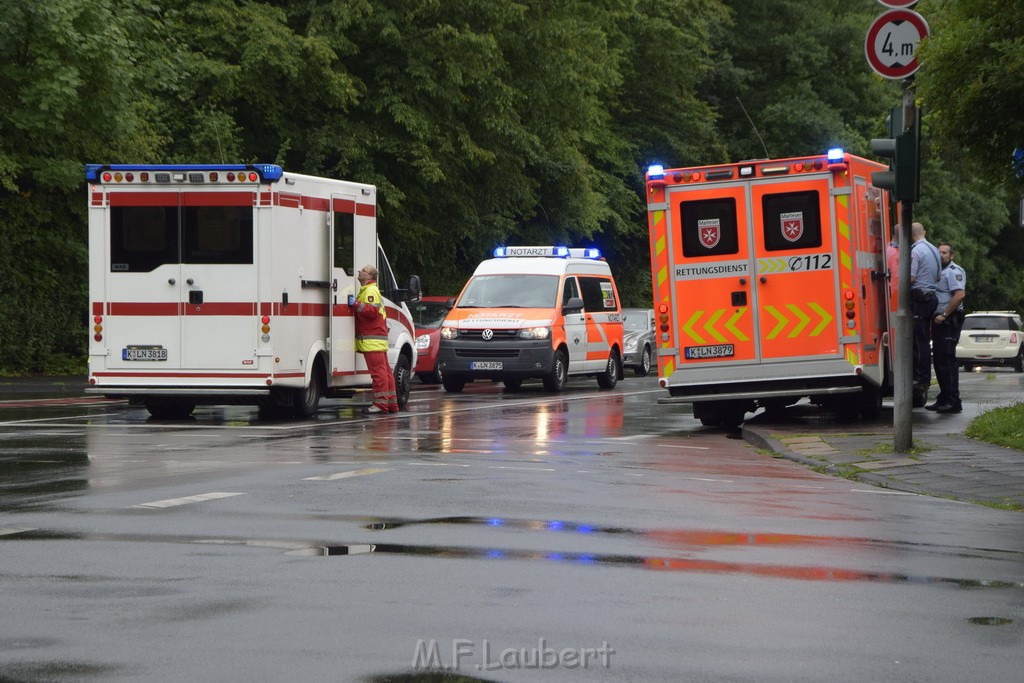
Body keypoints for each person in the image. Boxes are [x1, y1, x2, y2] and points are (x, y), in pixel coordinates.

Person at [352, 265, 399, 414]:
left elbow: (371, 312)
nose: (359, 271)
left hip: (372, 340)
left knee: (378, 373)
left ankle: (380, 405)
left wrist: (355, 303)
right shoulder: (371, 290)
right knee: (385, 372)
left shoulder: (370, 291)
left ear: (369, 276)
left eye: (363, 270)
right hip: (377, 338)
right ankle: (391, 403)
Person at [928, 242, 966, 413]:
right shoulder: (938, 271)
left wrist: (944, 314)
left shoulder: (954, 271)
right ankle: (944, 397)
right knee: (939, 360)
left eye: (944, 252)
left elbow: (959, 295)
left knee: (948, 360)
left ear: (951, 256)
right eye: (939, 252)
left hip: (949, 320)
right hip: (938, 321)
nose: (941, 255)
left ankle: (953, 400)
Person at [909, 222, 942, 403]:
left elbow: (911, 277)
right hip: (932, 297)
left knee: (919, 340)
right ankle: (924, 377)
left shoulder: (915, 251)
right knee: (923, 339)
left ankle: (921, 378)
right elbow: (938, 276)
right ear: (924, 232)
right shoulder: (933, 249)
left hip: (920, 299)